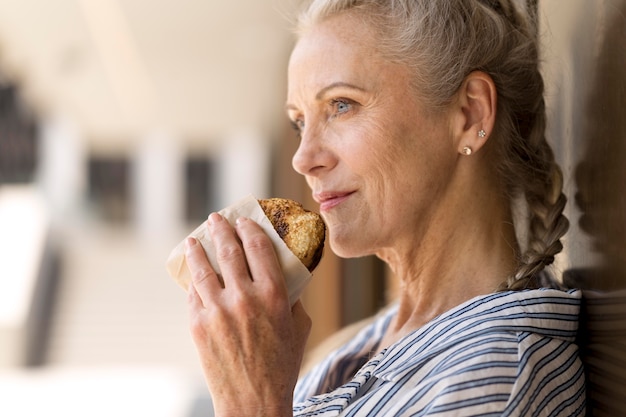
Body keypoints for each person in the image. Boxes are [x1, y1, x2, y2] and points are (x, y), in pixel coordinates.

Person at [183, 0, 586, 415]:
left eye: (341, 105)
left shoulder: (493, 382)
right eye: (300, 121)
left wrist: (250, 402)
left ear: (469, 114)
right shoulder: (367, 343)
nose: (303, 159)